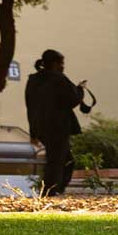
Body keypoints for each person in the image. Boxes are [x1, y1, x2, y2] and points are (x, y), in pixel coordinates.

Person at [24, 50, 84, 196]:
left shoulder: (33, 80)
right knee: (59, 162)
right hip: (58, 127)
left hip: (42, 128)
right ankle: (52, 192)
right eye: (61, 63)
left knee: (59, 160)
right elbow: (72, 99)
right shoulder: (58, 79)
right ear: (55, 64)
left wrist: (33, 132)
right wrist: (81, 89)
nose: (63, 66)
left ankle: (51, 191)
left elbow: (30, 106)